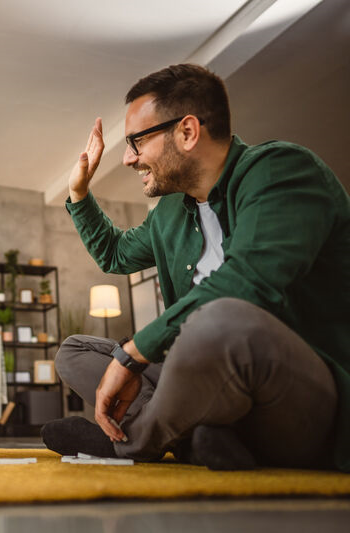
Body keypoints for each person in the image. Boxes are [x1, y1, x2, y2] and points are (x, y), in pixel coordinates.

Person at [41, 63, 350, 471]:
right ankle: (203, 435)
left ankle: (132, 443)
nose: (129, 158)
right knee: (74, 352)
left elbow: (246, 283)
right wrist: (79, 193)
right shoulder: (170, 211)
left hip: (299, 394)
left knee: (220, 317)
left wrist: (134, 354)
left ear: (187, 132)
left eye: (137, 141)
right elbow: (114, 254)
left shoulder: (282, 170)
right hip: (208, 377)